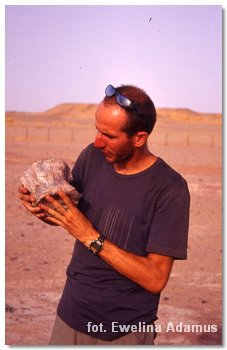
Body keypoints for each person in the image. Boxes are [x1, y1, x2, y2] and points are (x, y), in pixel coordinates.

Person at [18, 84, 190, 345]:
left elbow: (156, 279)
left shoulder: (169, 189)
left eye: (108, 135)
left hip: (123, 331)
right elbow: (72, 216)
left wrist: (90, 236)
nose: (97, 141)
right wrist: (40, 205)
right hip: (69, 318)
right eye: (97, 130)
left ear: (139, 138)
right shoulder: (92, 157)